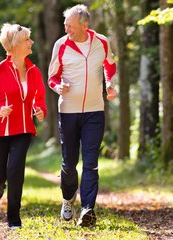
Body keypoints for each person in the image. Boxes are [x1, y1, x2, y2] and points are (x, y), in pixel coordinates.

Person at [48, 4, 117, 227]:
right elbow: (52, 78)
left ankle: (88, 209)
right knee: (69, 165)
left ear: (84, 25)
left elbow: (110, 65)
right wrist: (58, 87)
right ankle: (68, 199)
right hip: (68, 111)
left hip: (94, 111)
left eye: (70, 25)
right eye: (65, 24)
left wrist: (110, 84)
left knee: (91, 162)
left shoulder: (101, 42)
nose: (66, 28)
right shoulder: (61, 45)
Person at [0, 23, 47, 230]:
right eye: (27, 39)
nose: (31, 42)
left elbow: (39, 98)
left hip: (24, 128)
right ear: (16, 44)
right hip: (0, 130)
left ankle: (14, 220)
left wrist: (40, 109)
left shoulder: (34, 71)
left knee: (15, 171)